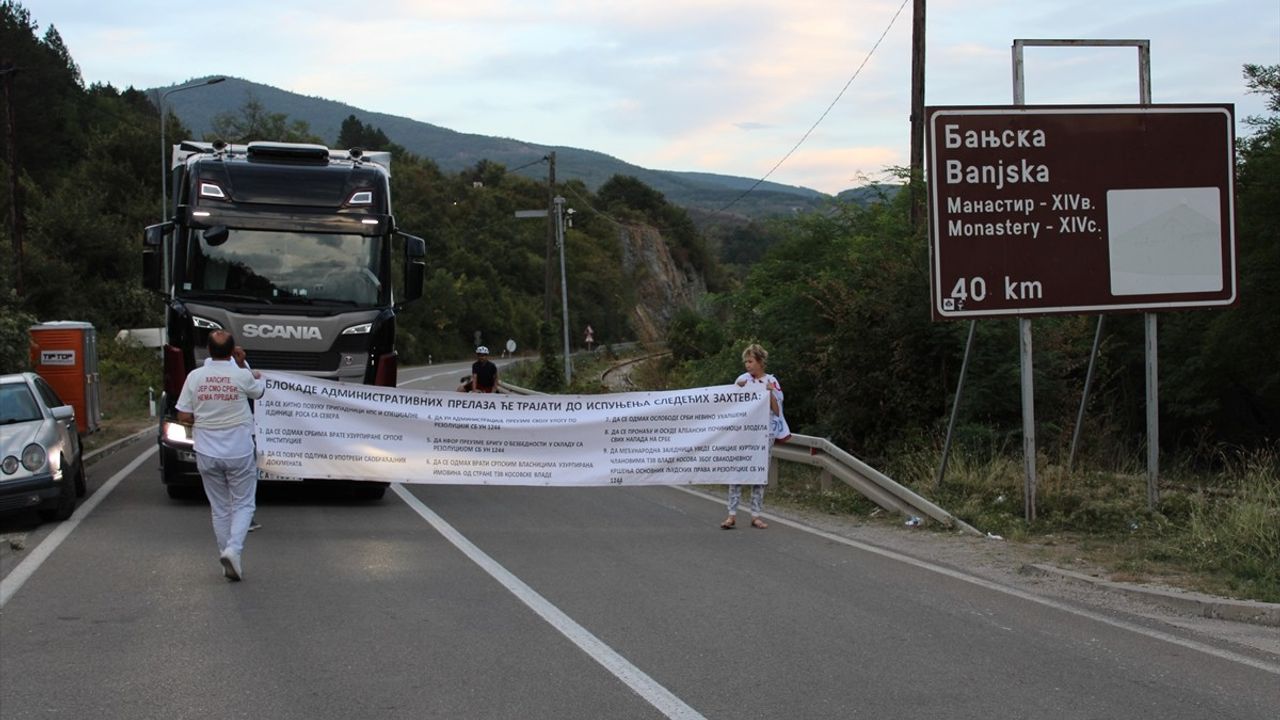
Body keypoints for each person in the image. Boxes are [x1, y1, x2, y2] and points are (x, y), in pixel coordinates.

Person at [177, 331, 265, 580]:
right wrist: (243, 363)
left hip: (206, 450)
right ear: (232, 351)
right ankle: (233, 551)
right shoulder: (240, 374)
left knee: (219, 508)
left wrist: (206, 420)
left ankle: (226, 554)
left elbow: (183, 415)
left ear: (207, 350)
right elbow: (258, 392)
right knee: (244, 504)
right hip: (238, 451)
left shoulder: (195, 377)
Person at [722, 343, 790, 530]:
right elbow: (730, 405)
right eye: (746, 362)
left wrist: (769, 393)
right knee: (736, 472)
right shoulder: (742, 380)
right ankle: (731, 514)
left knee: (759, 474)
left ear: (760, 362)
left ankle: (756, 515)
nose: (748, 365)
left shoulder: (772, 382)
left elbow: (777, 411)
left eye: (751, 361)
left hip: (763, 434)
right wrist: (738, 389)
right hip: (743, 434)